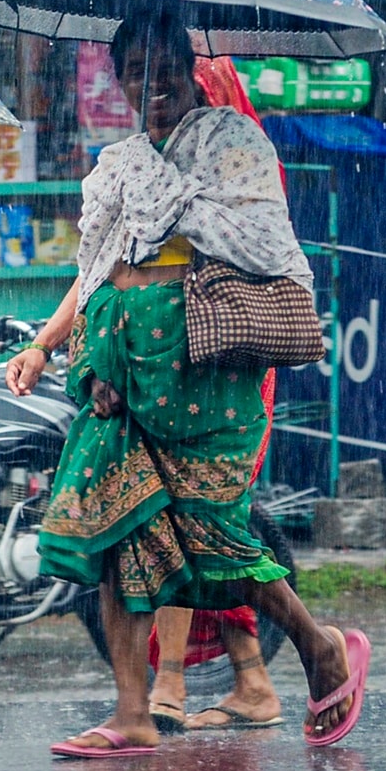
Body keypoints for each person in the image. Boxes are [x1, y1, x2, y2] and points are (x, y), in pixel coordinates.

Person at [5, 12, 370, 759]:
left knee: (213, 537)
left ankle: (318, 644)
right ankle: (134, 712)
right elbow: (97, 266)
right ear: (120, 79)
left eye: (162, 65)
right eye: (133, 69)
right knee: (119, 533)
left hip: (205, 378)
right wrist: (52, 346)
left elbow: (257, 243)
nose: (151, 82)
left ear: (187, 66)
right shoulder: (120, 164)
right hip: (121, 375)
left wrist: (173, 199)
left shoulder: (232, 142)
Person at [145, 56, 286, 736]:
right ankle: (253, 676)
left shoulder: (229, 159)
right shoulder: (167, 153)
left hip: (222, 360)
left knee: (193, 514)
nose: (163, 103)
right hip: (180, 352)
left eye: (184, 94)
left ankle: (171, 683)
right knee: (198, 518)